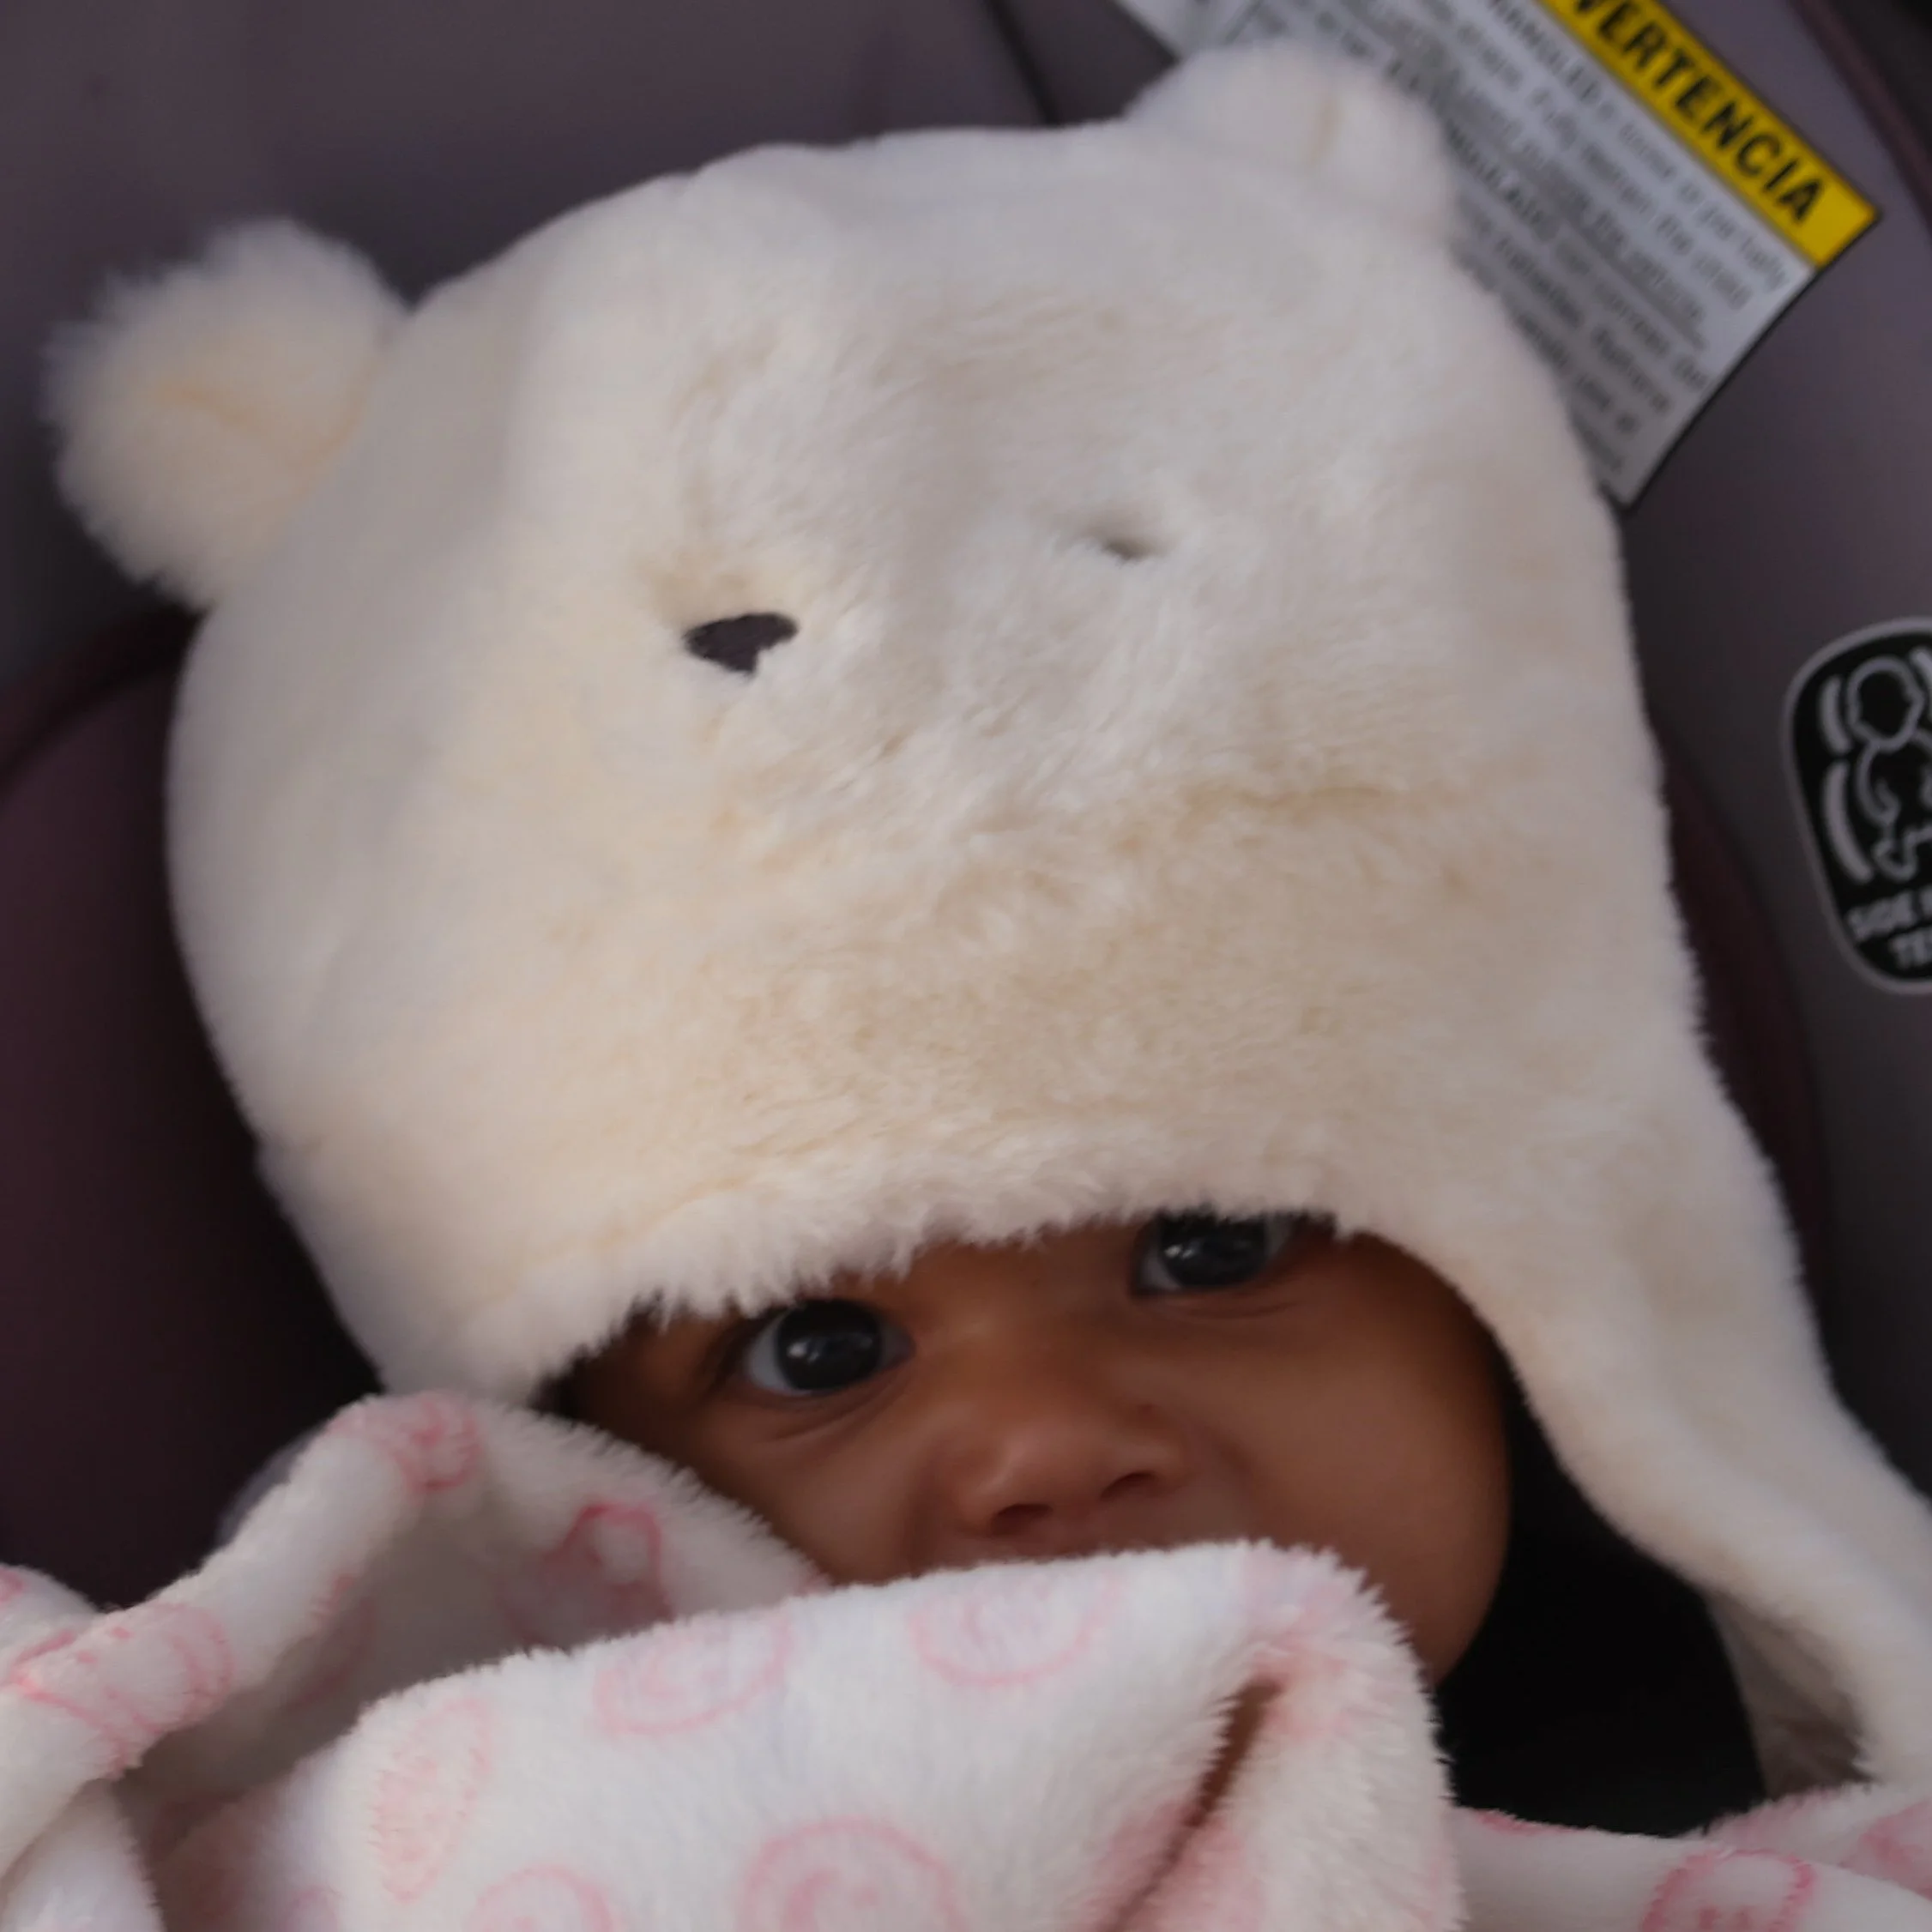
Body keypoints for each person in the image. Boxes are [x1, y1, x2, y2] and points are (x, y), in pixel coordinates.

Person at [15, 42, 1932, 1927]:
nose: (1044, 1443)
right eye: (818, 1353)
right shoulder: (487, 1822)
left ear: (1527, 1267)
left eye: (1208, 1245)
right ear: (577, 1460)